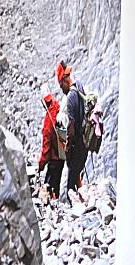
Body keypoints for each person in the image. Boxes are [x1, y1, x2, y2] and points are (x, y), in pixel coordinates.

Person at [56, 60, 88, 196]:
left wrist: (67, 148)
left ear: (64, 80)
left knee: (70, 186)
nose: (61, 88)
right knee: (78, 175)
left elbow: (71, 127)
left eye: (60, 84)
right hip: (85, 141)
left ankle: (73, 212)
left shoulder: (70, 97)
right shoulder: (79, 86)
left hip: (76, 145)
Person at [38, 92, 65, 200]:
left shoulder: (48, 121)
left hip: (54, 158)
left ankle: (52, 207)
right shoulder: (58, 107)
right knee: (56, 182)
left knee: (48, 185)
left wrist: (41, 165)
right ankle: (56, 201)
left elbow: (46, 146)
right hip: (62, 154)